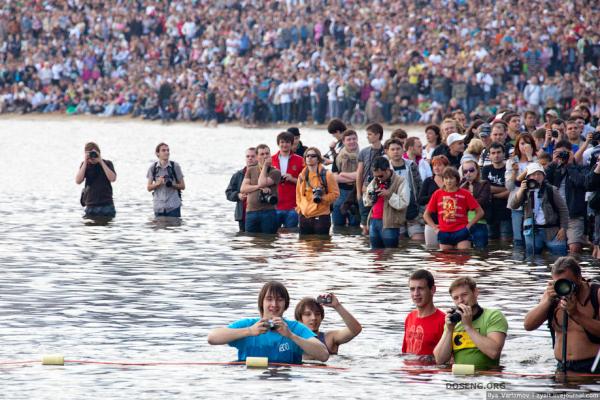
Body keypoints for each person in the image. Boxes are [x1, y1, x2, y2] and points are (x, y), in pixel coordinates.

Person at [207, 281, 329, 363]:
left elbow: (324, 355)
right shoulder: (248, 325)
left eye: (279, 300)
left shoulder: (295, 328)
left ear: (285, 304)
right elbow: (212, 338)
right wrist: (249, 331)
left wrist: (291, 336)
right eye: (269, 299)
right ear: (262, 303)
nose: (274, 305)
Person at [523, 257, 600, 374]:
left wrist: (576, 314)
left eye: (567, 282)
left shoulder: (596, 294)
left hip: (592, 368)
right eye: (558, 282)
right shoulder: (552, 295)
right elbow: (528, 325)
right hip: (562, 367)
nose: (563, 287)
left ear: (579, 278)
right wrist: (548, 301)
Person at [433, 277, 508, 370]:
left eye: (464, 295)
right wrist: (449, 330)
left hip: (486, 376)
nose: (460, 300)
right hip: (460, 376)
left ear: (476, 292)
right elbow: (440, 360)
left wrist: (468, 327)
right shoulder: (453, 321)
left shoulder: (493, 316)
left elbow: (494, 353)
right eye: (456, 298)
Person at [508, 163, 568, 256]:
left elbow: (563, 210)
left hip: (552, 230)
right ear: (528, 177)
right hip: (532, 231)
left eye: (539, 174)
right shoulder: (525, 190)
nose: (536, 177)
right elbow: (514, 205)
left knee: (559, 256)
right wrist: (520, 190)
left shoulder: (551, 190)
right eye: (533, 174)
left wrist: (563, 228)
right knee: (532, 258)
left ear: (543, 176)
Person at [423, 167, 484, 250]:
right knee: (446, 259)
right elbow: (426, 215)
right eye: (446, 178)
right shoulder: (437, 194)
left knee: (463, 257)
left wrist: (468, 226)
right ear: (443, 180)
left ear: (457, 179)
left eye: (451, 178)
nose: (448, 181)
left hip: (462, 231)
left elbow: (480, 212)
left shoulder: (465, 193)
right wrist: (435, 228)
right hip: (444, 233)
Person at [544, 141, 587, 254]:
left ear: (571, 153)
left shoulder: (580, 168)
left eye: (564, 153)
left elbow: (581, 182)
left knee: (574, 248)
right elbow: (541, 182)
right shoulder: (553, 169)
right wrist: (553, 163)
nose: (562, 155)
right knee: (556, 250)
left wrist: (570, 165)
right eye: (558, 153)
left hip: (574, 215)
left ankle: (573, 268)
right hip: (556, 216)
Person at [294, 293, 362, 357]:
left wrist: (337, 306)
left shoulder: (330, 338)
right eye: (308, 314)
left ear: (322, 317)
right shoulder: (292, 340)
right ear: (300, 319)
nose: (314, 318)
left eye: (317, 314)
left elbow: (356, 330)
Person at [363, 156, 410, 248]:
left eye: (380, 176)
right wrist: (370, 195)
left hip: (390, 224)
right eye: (375, 176)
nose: (378, 178)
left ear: (387, 170)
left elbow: (404, 203)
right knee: (375, 254)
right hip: (374, 221)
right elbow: (366, 202)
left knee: (390, 254)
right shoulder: (375, 180)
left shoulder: (401, 181)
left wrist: (389, 194)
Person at [386, 138, 424, 241]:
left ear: (403, 150)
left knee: (418, 240)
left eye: (398, 149)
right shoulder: (386, 168)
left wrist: (420, 209)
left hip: (412, 209)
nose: (396, 152)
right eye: (392, 149)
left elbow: (419, 186)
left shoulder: (411, 165)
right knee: (400, 242)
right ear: (387, 152)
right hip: (394, 211)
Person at [296, 147, 339, 235]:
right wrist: (300, 209)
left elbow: (335, 194)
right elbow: (298, 195)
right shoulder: (302, 175)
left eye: (313, 156)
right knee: (304, 246)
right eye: (307, 156)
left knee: (322, 245)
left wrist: (322, 198)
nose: (309, 158)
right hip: (304, 217)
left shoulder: (327, 174)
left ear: (318, 159)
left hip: (321, 216)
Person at [505, 133, 538, 247]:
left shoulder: (536, 160)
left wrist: (529, 158)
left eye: (528, 143)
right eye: (522, 143)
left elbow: (535, 178)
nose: (525, 146)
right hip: (516, 201)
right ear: (518, 145)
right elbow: (509, 186)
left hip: (533, 202)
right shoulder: (511, 161)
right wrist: (514, 171)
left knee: (531, 236)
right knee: (518, 238)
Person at [403, 269, 445, 358]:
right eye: (412, 289)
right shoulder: (409, 317)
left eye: (420, 288)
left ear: (432, 290)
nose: (416, 294)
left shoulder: (444, 321)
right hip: (407, 370)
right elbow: (404, 353)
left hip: (430, 371)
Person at [240, 144, 281, 234]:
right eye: (262, 154)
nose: (265, 156)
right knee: (251, 241)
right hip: (251, 212)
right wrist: (259, 187)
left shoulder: (275, 172)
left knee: (268, 240)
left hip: (268, 212)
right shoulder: (250, 170)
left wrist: (265, 166)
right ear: (257, 157)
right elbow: (243, 188)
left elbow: (262, 182)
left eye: (267, 153)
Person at [356, 123, 385, 234]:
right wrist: (358, 192)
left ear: (378, 135)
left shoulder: (385, 151)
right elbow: (359, 172)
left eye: (370, 134)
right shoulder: (364, 152)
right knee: (364, 223)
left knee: (379, 220)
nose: (367, 136)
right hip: (365, 190)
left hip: (380, 190)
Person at [272, 131, 304, 229]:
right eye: (282, 142)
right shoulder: (270, 160)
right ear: (278, 143)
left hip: (293, 206)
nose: (284, 145)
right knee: (273, 237)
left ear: (292, 144)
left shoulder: (300, 160)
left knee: (291, 237)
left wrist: (293, 179)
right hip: (274, 206)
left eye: (287, 142)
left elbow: (307, 182)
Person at [76, 142, 117, 218]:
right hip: (91, 205)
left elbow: (112, 178)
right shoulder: (85, 166)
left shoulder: (107, 163)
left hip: (106, 205)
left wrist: (100, 161)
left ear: (99, 153)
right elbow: (78, 181)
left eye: (94, 153)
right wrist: (85, 162)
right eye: (90, 153)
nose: (92, 156)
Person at [481, 143, 512, 241]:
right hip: (490, 212)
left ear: (504, 154)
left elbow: (512, 190)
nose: (496, 155)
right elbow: (486, 188)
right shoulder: (486, 169)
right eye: (493, 153)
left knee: (506, 242)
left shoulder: (509, 169)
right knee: (491, 243)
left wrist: (495, 194)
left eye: (498, 152)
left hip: (506, 212)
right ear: (489, 155)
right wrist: (505, 189)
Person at [146, 143, 185, 217]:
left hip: (173, 207)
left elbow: (183, 186)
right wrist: (157, 184)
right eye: (163, 150)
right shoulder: (153, 167)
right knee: (158, 228)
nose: (167, 152)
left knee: (174, 228)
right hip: (158, 208)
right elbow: (148, 188)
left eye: (168, 150)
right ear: (157, 153)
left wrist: (172, 184)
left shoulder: (175, 166)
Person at [419, 155, 449, 248]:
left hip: (448, 221)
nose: (436, 167)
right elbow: (420, 200)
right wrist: (435, 196)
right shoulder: (428, 181)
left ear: (446, 167)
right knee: (431, 250)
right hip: (431, 221)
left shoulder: (451, 180)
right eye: (434, 165)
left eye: (439, 165)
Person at [332, 129, 360, 227]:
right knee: (338, 227)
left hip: (356, 192)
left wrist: (343, 174)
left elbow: (361, 176)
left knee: (355, 227)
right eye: (349, 139)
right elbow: (334, 178)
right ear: (343, 142)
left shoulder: (363, 155)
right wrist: (355, 176)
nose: (352, 141)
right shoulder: (338, 157)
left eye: (354, 139)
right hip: (340, 193)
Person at [460, 159, 491, 249]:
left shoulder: (484, 184)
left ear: (477, 170)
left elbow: (482, 200)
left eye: (471, 170)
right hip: (464, 224)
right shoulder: (461, 185)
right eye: (465, 171)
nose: (468, 173)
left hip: (480, 223)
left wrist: (466, 203)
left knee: (480, 251)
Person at [226, 148, 257, 232]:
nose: (250, 158)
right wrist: (238, 195)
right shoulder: (238, 175)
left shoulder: (263, 172)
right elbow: (228, 193)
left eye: (253, 156)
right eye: (248, 156)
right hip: (243, 215)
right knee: (243, 241)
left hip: (259, 213)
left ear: (258, 157)